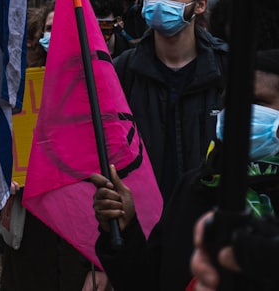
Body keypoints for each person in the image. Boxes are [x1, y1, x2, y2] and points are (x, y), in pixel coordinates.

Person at [93, 48, 279, 291]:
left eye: (256, 102)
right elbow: (149, 281)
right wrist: (125, 229)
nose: (237, 113)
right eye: (229, 103)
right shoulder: (197, 186)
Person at [113, 0, 226, 198]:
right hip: (143, 220)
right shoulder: (123, 70)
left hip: (208, 220)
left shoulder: (225, 68)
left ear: (200, 4)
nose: (161, 1)